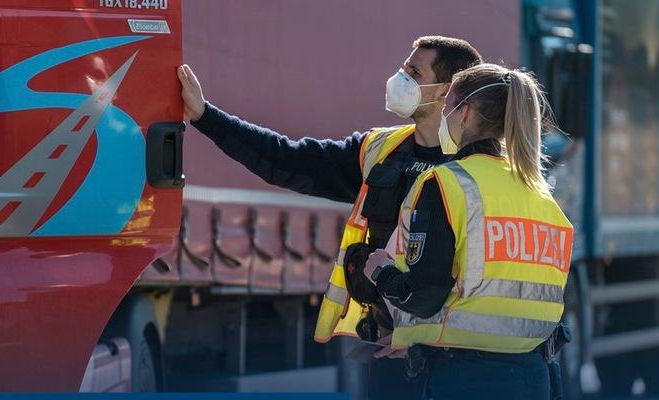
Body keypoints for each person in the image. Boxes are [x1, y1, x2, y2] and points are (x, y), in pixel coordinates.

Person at [177, 36, 482, 400]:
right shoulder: (379, 150)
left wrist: (428, 340)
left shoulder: (478, 169)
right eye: (403, 68)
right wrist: (205, 116)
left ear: (446, 91)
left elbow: (488, 276)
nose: (399, 78)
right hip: (388, 356)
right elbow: (286, 160)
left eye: (414, 72)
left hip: (453, 363)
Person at [363, 63, 574, 400]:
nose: (443, 117)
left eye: (448, 108)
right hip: (536, 377)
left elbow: (424, 294)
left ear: (465, 113)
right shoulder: (541, 196)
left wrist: (380, 272)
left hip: (467, 379)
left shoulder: (447, 184)